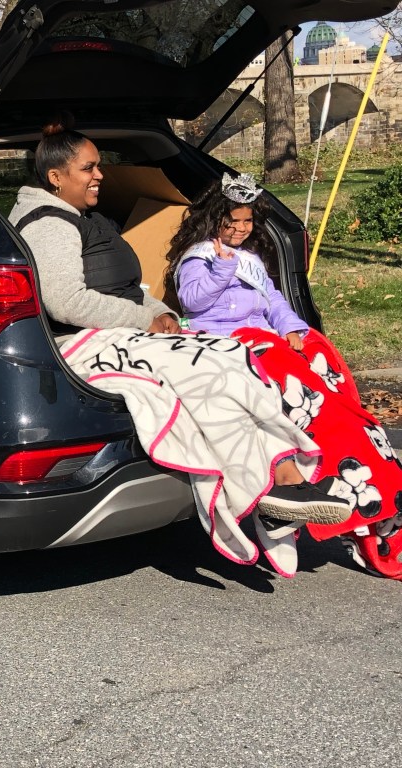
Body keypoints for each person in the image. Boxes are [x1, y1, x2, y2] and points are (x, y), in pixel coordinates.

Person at [8, 117, 352, 577]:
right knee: (211, 368)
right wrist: (145, 320)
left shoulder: (84, 217)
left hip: (122, 329)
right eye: (89, 168)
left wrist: (161, 313)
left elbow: (129, 290)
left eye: (98, 166)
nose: (100, 175)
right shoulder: (49, 224)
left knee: (232, 355)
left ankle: (282, 478)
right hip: (82, 341)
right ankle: (272, 484)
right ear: (56, 177)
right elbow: (66, 302)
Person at [168, 174, 402, 579]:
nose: (241, 229)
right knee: (301, 389)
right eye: (232, 221)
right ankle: (322, 467)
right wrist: (222, 267)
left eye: (247, 222)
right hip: (225, 340)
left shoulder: (251, 260)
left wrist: (291, 326)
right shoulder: (198, 257)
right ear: (214, 219)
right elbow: (193, 301)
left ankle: (363, 457)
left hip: (264, 335)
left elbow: (273, 300)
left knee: (321, 357)